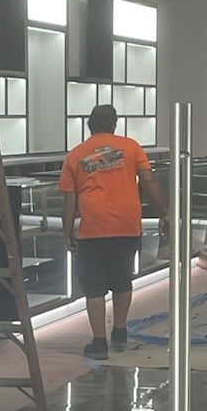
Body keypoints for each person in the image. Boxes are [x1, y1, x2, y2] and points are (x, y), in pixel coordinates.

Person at [58, 105, 169, 360]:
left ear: (89, 126)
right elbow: (149, 181)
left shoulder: (75, 156)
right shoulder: (131, 147)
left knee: (94, 286)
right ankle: (120, 332)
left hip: (92, 227)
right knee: (122, 279)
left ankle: (99, 343)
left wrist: (66, 232)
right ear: (115, 125)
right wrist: (165, 212)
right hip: (127, 224)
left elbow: (69, 201)